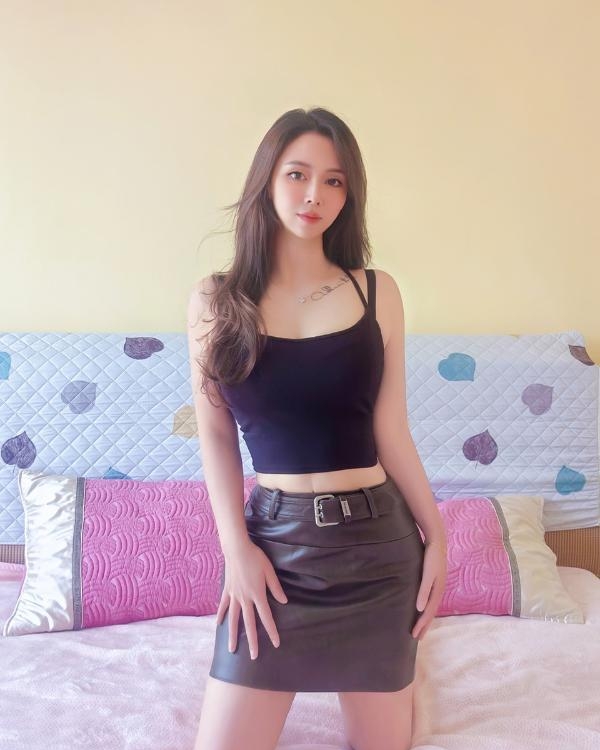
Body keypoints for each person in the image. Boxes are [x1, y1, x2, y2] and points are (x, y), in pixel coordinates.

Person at [187, 107, 447, 750]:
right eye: (297, 174)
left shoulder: (376, 292)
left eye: (334, 181)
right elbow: (215, 435)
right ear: (266, 179)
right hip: (275, 549)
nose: (314, 195)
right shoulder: (215, 300)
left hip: (380, 552)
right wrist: (236, 550)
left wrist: (437, 537)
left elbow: (392, 428)